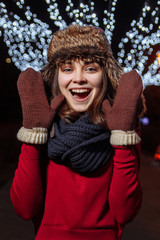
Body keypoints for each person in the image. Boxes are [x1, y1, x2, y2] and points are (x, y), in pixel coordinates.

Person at [10, 24, 145, 240]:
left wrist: (121, 137)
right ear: (56, 76)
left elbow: (125, 212)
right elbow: (24, 209)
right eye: (67, 68)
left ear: (106, 74)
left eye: (91, 68)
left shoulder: (123, 128)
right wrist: (34, 135)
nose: (79, 78)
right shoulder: (44, 125)